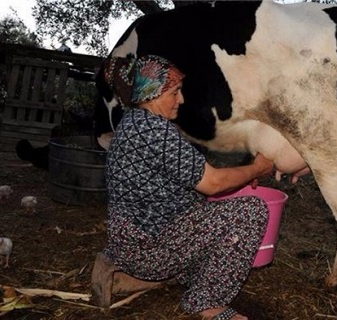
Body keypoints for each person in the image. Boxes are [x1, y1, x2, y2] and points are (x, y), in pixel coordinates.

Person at [91, 55, 275, 320]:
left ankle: (196, 277)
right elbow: (212, 183)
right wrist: (257, 168)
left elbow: (194, 174)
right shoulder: (153, 130)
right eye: (175, 92)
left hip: (134, 243)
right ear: (153, 93)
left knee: (211, 210)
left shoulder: (134, 124)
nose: (182, 100)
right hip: (148, 250)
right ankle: (207, 303)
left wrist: (243, 177)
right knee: (251, 211)